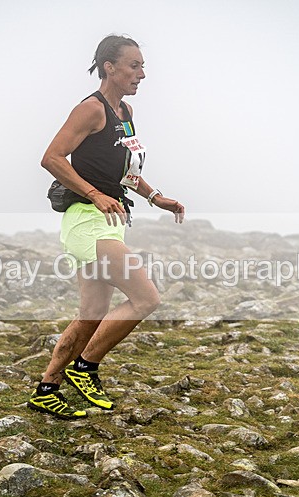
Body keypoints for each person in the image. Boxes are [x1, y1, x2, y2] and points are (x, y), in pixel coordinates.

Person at [27, 34, 185, 419]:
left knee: (91, 314)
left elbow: (128, 170)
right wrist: (95, 193)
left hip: (112, 222)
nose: (142, 74)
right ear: (109, 67)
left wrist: (155, 196)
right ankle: (86, 366)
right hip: (85, 222)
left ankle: (47, 389)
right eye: (135, 66)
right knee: (146, 298)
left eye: (143, 66)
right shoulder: (91, 110)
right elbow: (51, 158)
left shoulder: (125, 113)